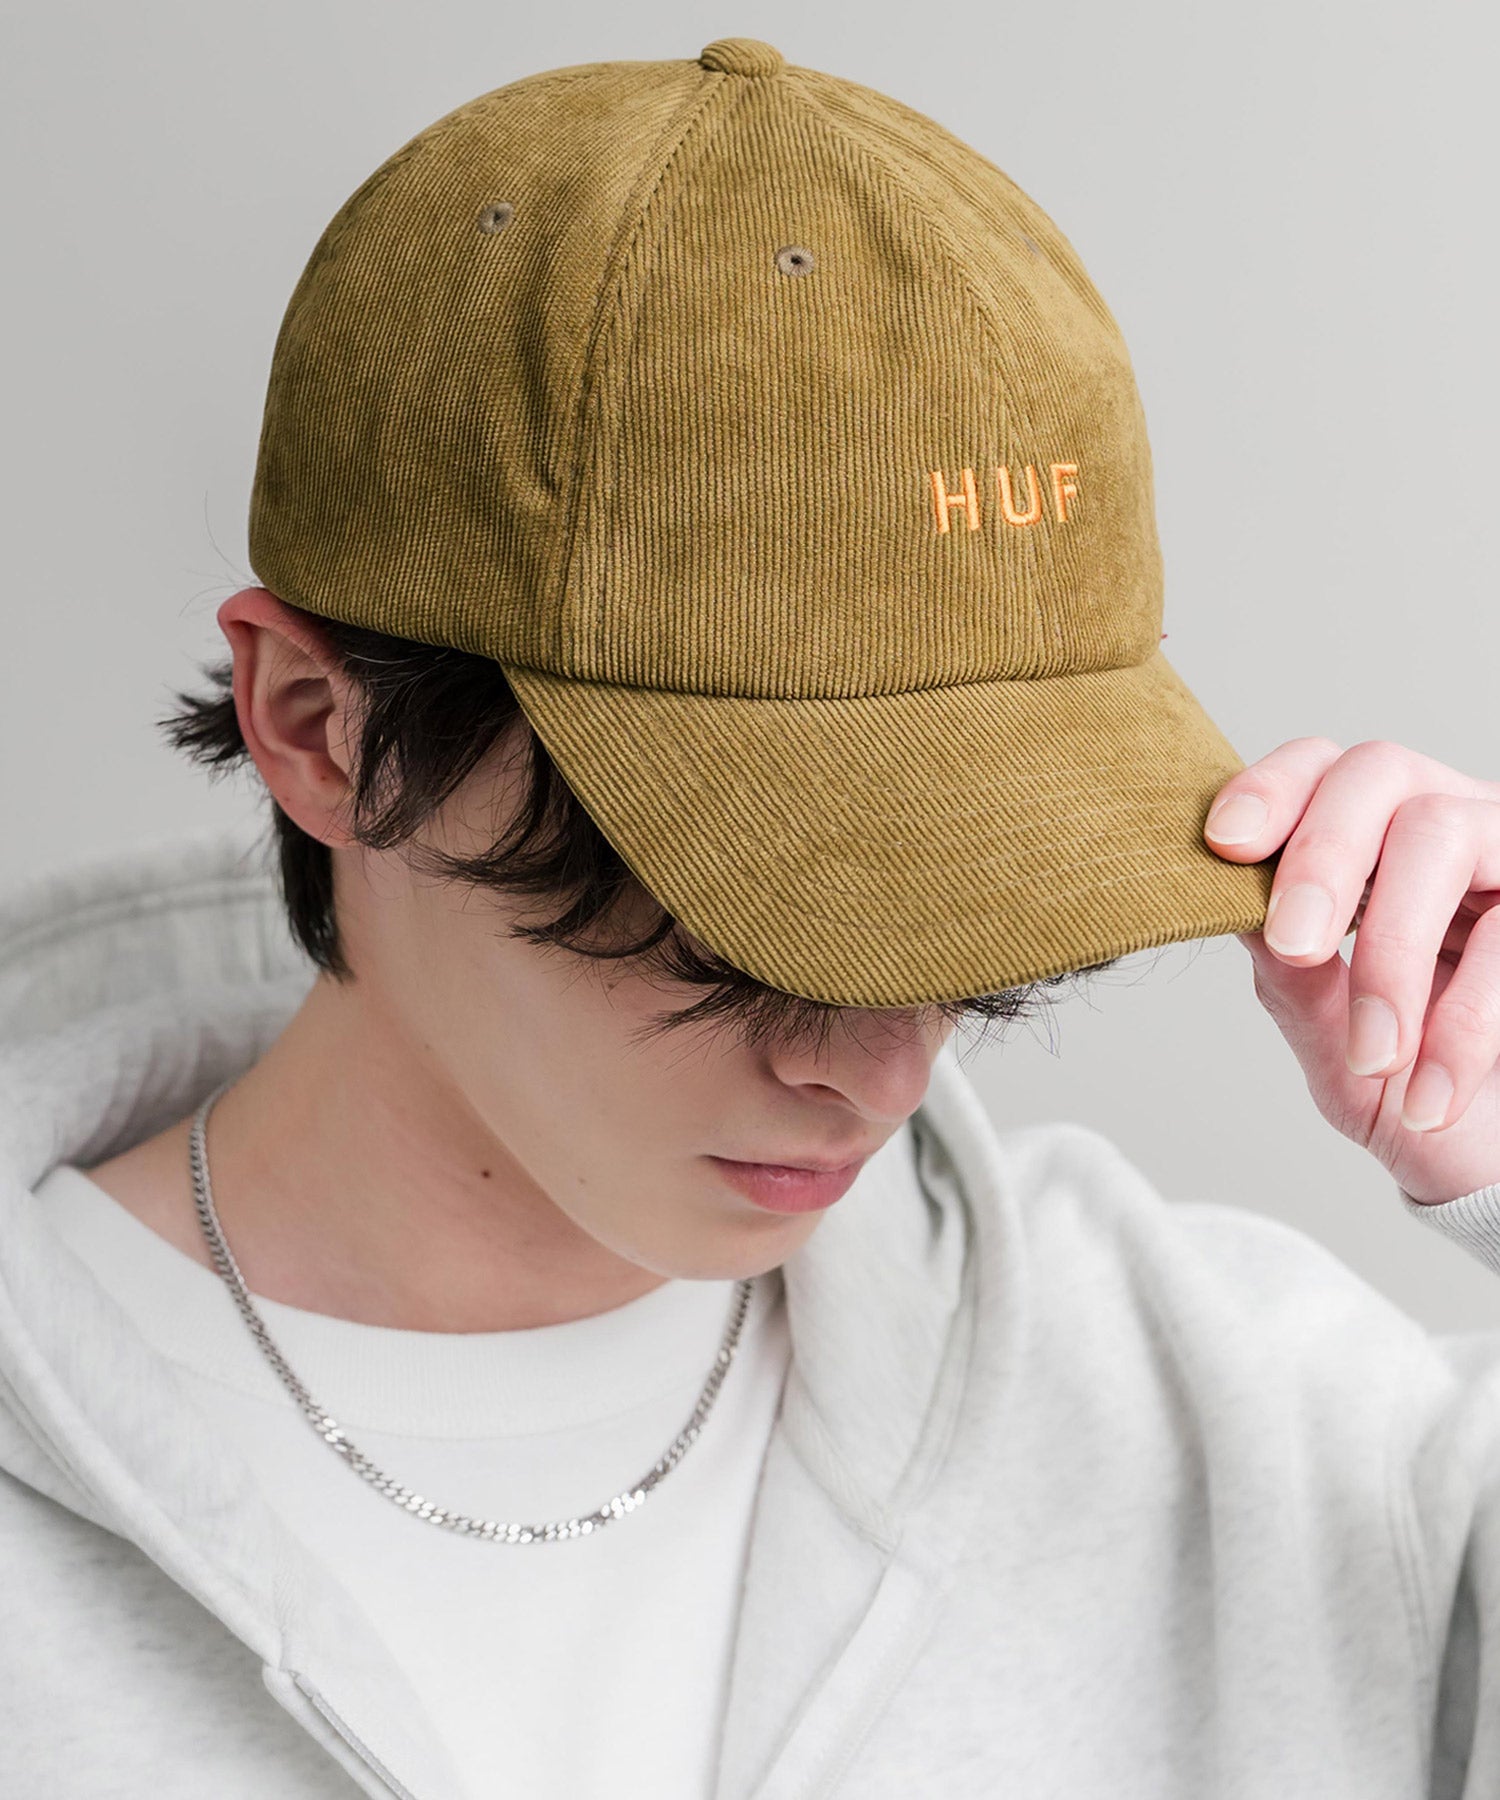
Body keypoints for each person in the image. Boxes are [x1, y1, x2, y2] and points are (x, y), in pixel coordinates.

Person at [2, 34, 1498, 1800]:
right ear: (321, 730)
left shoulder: (1258, 1427)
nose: (877, 1072)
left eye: (976, 924)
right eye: (745, 925)